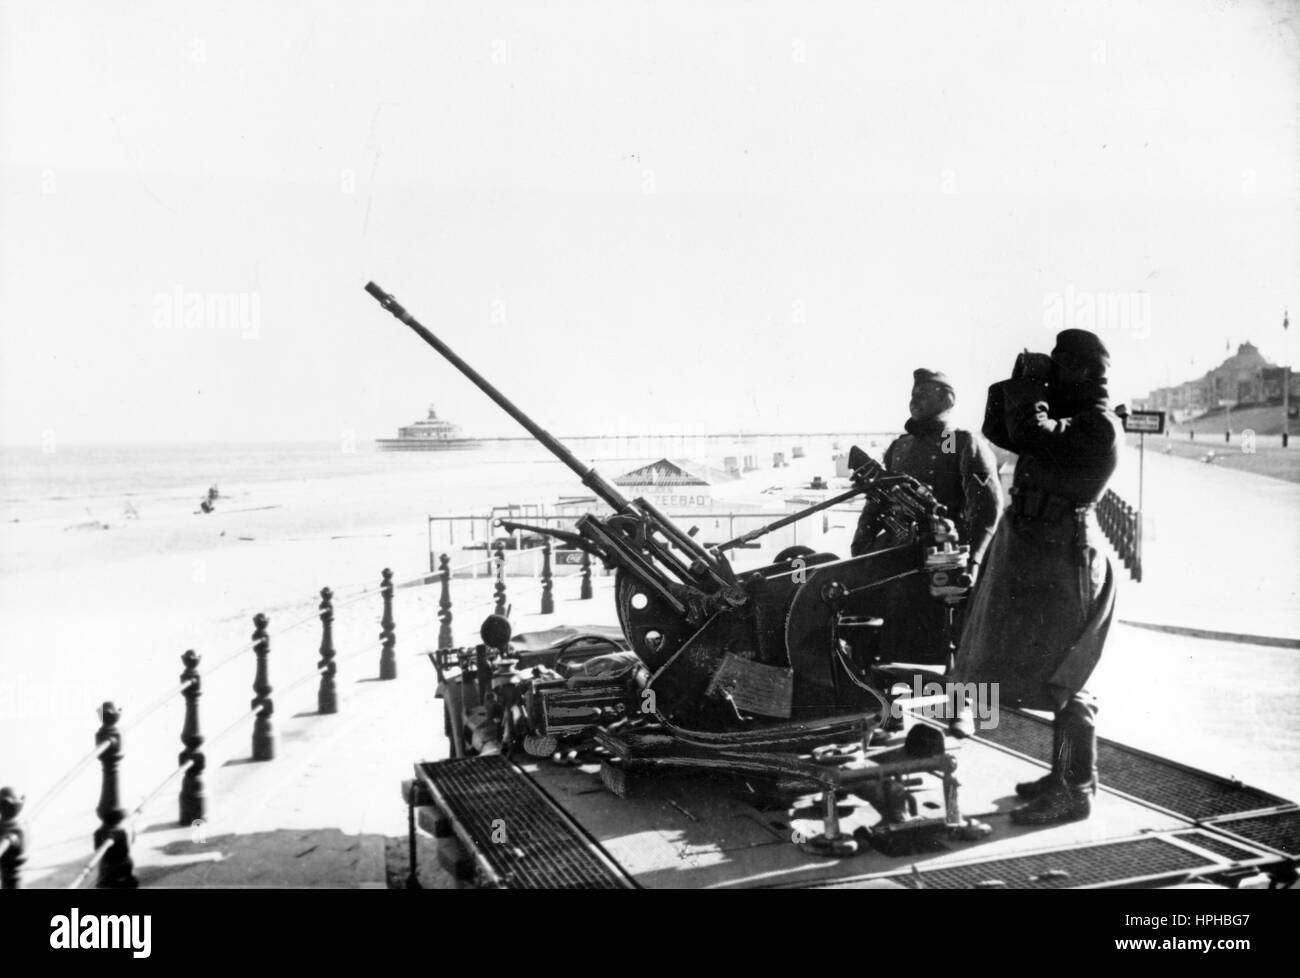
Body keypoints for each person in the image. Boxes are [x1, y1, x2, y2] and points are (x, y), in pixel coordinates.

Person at [952, 329, 1120, 824]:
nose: (1053, 373)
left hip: (1065, 555)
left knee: (1068, 672)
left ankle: (1076, 788)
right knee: (1043, 666)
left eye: (1060, 365)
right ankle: (1063, 775)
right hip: (1038, 549)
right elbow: (1002, 431)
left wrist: (1033, 387)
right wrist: (1020, 382)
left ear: (1084, 372)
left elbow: (1030, 434)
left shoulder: (1098, 426)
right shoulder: (1072, 419)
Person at [850, 368, 1002, 667]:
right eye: (913, 394)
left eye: (924, 393)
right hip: (894, 551)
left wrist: (972, 562)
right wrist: (862, 545)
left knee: (942, 637)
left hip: (941, 554)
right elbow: (876, 502)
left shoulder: (956, 440)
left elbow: (986, 510)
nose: (914, 399)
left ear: (946, 399)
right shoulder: (900, 445)